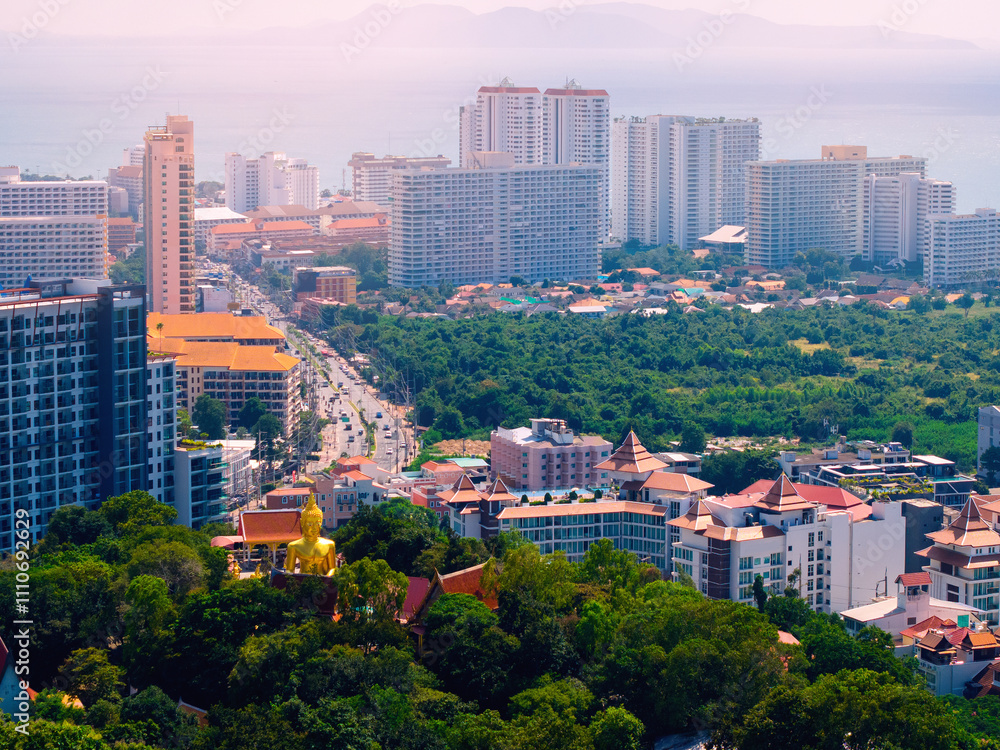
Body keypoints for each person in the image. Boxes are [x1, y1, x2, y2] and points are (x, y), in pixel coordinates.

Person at [284, 493, 337, 576]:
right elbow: (290, 571)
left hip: (323, 582)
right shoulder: (293, 546)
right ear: (302, 523)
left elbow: (332, 568)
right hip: (303, 583)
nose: (314, 528)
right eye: (310, 524)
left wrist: (326, 579)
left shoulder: (329, 545)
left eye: (317, 524)